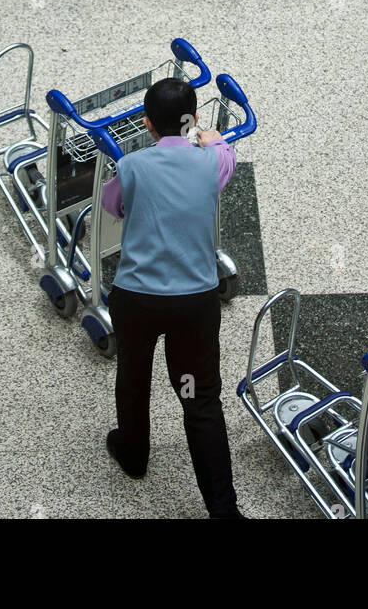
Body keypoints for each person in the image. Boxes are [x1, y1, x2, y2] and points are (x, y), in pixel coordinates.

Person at [100, 76, 245, 519]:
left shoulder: (133, 166)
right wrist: (214, 138)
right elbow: (225, 154)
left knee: (134, 374)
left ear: (146, 124)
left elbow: (113, 206)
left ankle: (133, 452)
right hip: (194, 301)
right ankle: (223, 511)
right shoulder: (211, 162)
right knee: (200, 398)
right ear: (194, 119)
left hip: (137, 297)